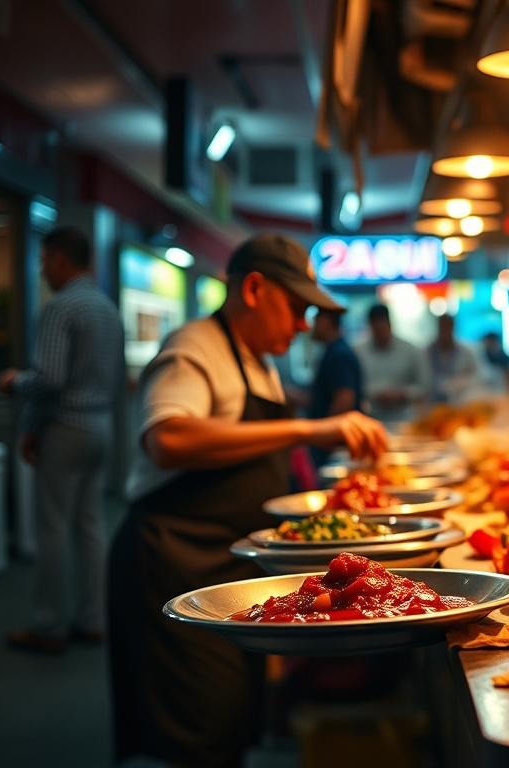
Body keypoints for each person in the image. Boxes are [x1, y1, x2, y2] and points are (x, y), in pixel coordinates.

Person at [109, 234, 386, 767]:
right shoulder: (194, 349)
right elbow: (167, 439)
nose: (305, 324)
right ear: (255, 289)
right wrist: (305, 429)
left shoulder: (258, 359)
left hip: (225, 566)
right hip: (175, 559)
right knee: (200, 728)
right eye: (298, 307)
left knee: (230, 717)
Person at [0, 227, 125, 653]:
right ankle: (95, 620)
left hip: (65, 428)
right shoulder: (107, 308)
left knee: (51, 528)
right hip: (101, 427)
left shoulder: (59, 307)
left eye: (45, 260)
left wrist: (15, 383)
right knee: (90, 525)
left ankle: (48, 625)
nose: (43, 269)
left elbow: (49, 379)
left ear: (61, 260)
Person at [306, 306, 364, 466]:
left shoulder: (338, 354)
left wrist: (324, 435)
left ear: (326, 322)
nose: (311, 325)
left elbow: (344, 400)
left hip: (334, 448)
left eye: (316, 320)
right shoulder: (335, 350)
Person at [353, 303, 429, 423]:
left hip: (404, 419)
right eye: (375, 329)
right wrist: (375, 393)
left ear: (389, 324)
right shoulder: (358, 352)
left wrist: (403, 394)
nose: (379, 333)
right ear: (370, 327)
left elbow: (424, 386)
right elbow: (353, 386)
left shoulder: (410, 350)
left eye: (382, 328)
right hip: (370, 417)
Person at [427, 313, 480, 403]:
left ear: (453, 328)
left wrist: (460, 383)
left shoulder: (466, 352)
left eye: (448, 327)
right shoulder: (427, 352)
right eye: (442, 327)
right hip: (433, 402)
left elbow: (477, 375)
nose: (445, 331)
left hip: (460, 401)